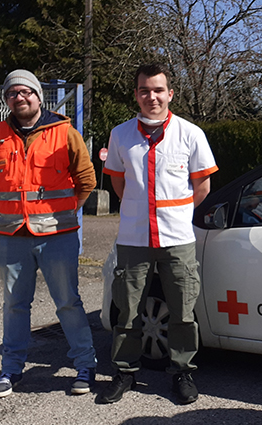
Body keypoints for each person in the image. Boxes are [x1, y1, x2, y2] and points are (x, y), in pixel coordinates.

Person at [97, 63, 218, 405]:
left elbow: (203, 186)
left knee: (182, 310)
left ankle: (182, 372)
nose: (152, 97)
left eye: (158, 90)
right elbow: (119, 183)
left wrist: (175, 215)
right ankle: (124, 372)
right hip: (133, 237)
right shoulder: (120, 135)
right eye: (145, 90)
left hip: (177, 238)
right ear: (136, 95)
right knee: (127, 309)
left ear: (170, 94)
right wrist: (140, 210)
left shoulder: (190, 134)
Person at [0, 69, 98, 399]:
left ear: (38, 96)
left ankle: (85, 366)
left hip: (57, 234)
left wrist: (66, 212)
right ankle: (10, 370)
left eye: (25, 92)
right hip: (12, 234)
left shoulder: (64, 132)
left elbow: (86, 179)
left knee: (68, 302)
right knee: (14, 305)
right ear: (7, 99)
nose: (19, 97)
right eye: (12, 93)